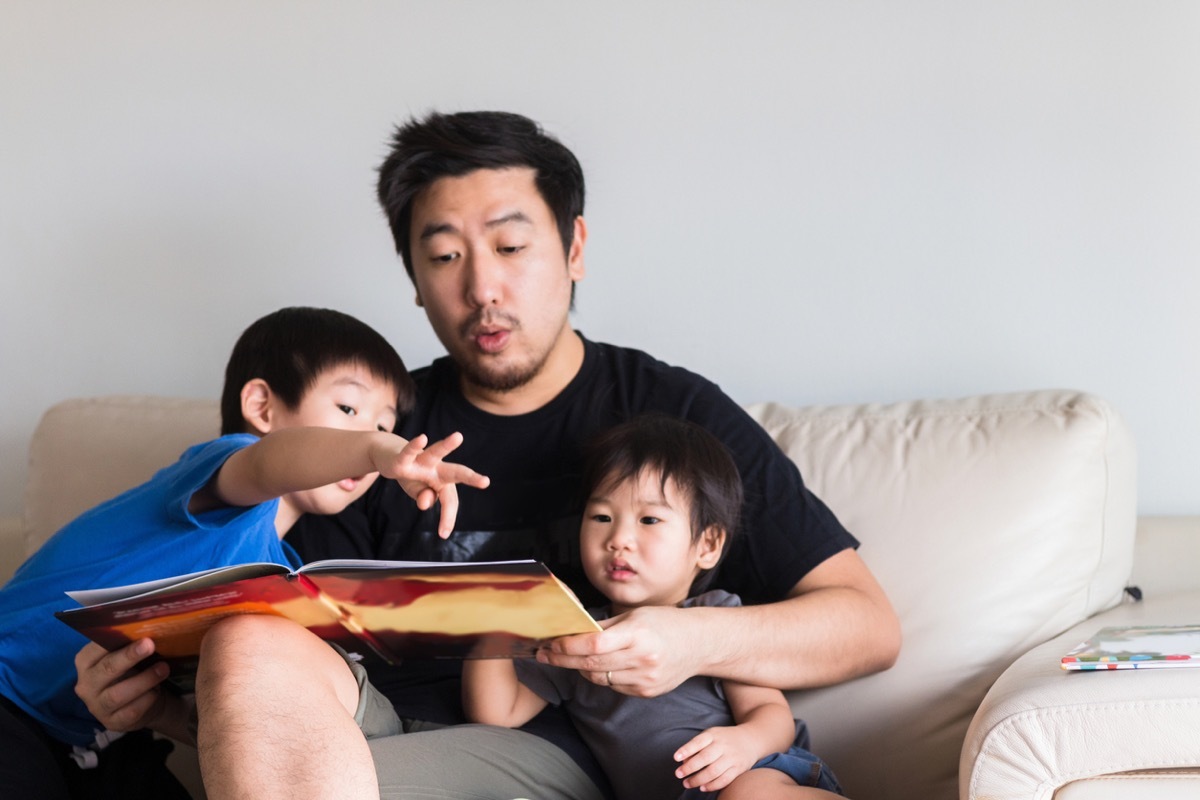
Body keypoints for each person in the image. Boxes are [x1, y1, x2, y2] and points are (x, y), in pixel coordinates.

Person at [77, 111, 901, 800]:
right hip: (397, 738)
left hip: (608, 753)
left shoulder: (668, 414)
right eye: (444, 257)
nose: (482, 289)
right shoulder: (374, 429)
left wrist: (691, 643)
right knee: (246, 638)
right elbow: (276, 689)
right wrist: (155, 705)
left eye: (510, 248)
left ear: (574, 249)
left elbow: (866, 625)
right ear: (413, 277)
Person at [2, 306, 488, 799]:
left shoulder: (285, 574)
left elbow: (230, 716)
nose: (377, 434)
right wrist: (379, 452)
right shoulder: (223, 472)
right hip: (9, 701)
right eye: (348, 409)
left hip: (100, 742)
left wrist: (159, 713)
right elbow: (266, 462)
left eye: (386, 424)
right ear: (261, 406)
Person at [463, 413, 844, 799]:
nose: (619, 539)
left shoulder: (716, 616)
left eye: (649, 519)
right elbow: (496, 714)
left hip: (754, 771)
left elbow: (770, 713)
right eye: (601, 516)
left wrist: (745, 743)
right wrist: (490, 626)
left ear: (707, 545)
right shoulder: (577, 638)